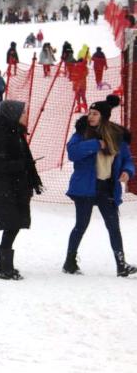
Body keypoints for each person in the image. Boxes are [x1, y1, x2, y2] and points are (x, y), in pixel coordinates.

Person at [64, 96, 136, 276]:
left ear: (104, 116)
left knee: (113, 226)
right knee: (81, 224)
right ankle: (69, 261)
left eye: (95, 113)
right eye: (89, 112)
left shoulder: (116, 135)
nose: (90, 116)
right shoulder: (81, 132)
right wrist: (96, 143)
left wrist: (127, 171)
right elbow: (72, 153)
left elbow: (127, 159)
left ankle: (121, 265)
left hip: (107, 187)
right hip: (85, 187)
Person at [0, 100, 43, 280]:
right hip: (6, 188)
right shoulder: (3, 136)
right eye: (23, 113)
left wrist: (31, 176)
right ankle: (5, 268)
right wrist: (22, 165)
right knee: (12, 224)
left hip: (17, 187)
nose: (26, 116)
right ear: (13, 115)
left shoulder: (16, 134)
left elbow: (24, 160)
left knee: (14, 224)